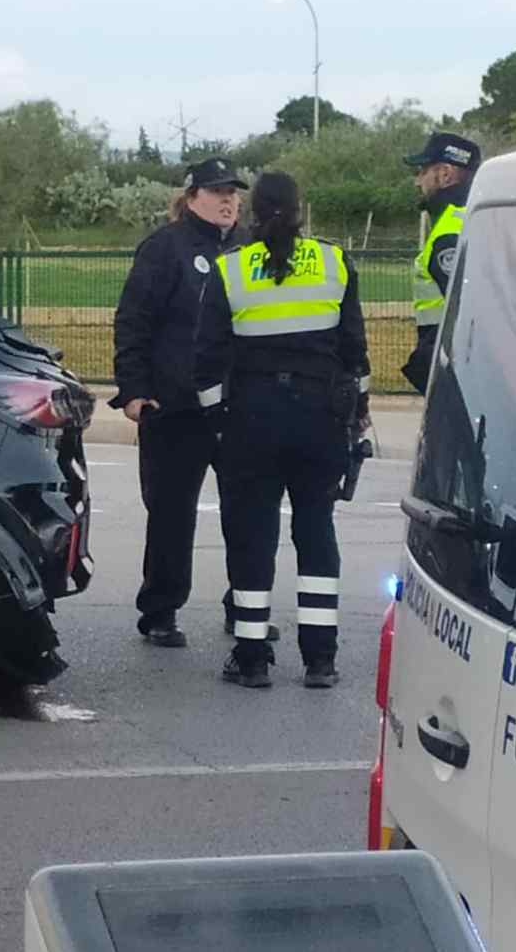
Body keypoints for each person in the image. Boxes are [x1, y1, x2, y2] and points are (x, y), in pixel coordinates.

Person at [193, 172, 370, 690]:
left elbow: (206, 360)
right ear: (300, 210)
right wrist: (357, 414)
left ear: (254, 213)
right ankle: (321, 658)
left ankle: (251, 657)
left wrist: (217, 421)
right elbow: (355, 352)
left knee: (254, 536)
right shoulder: (335, 262)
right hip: (320, 418)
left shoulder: (231, 269)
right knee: (316, 531)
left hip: (253, 416)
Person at [111, 157, 254, 648]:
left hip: (236, 407)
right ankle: (160, 610)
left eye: (234, 192)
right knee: (172, 514)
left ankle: (247, 607)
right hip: (175, 405)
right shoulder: (165, 248)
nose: (229, 201)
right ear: (192, 196)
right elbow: (134, 320)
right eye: (217, 192)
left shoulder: (248, 247)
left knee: (246, 511)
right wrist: (133, 389)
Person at [400, 132, 479, 394]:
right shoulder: (474, 216)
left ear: (445, 174)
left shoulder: (449, 230)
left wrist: (426, 359)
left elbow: (467, 312)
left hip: (455, 370)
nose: (416, 181)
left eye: (422, 171)